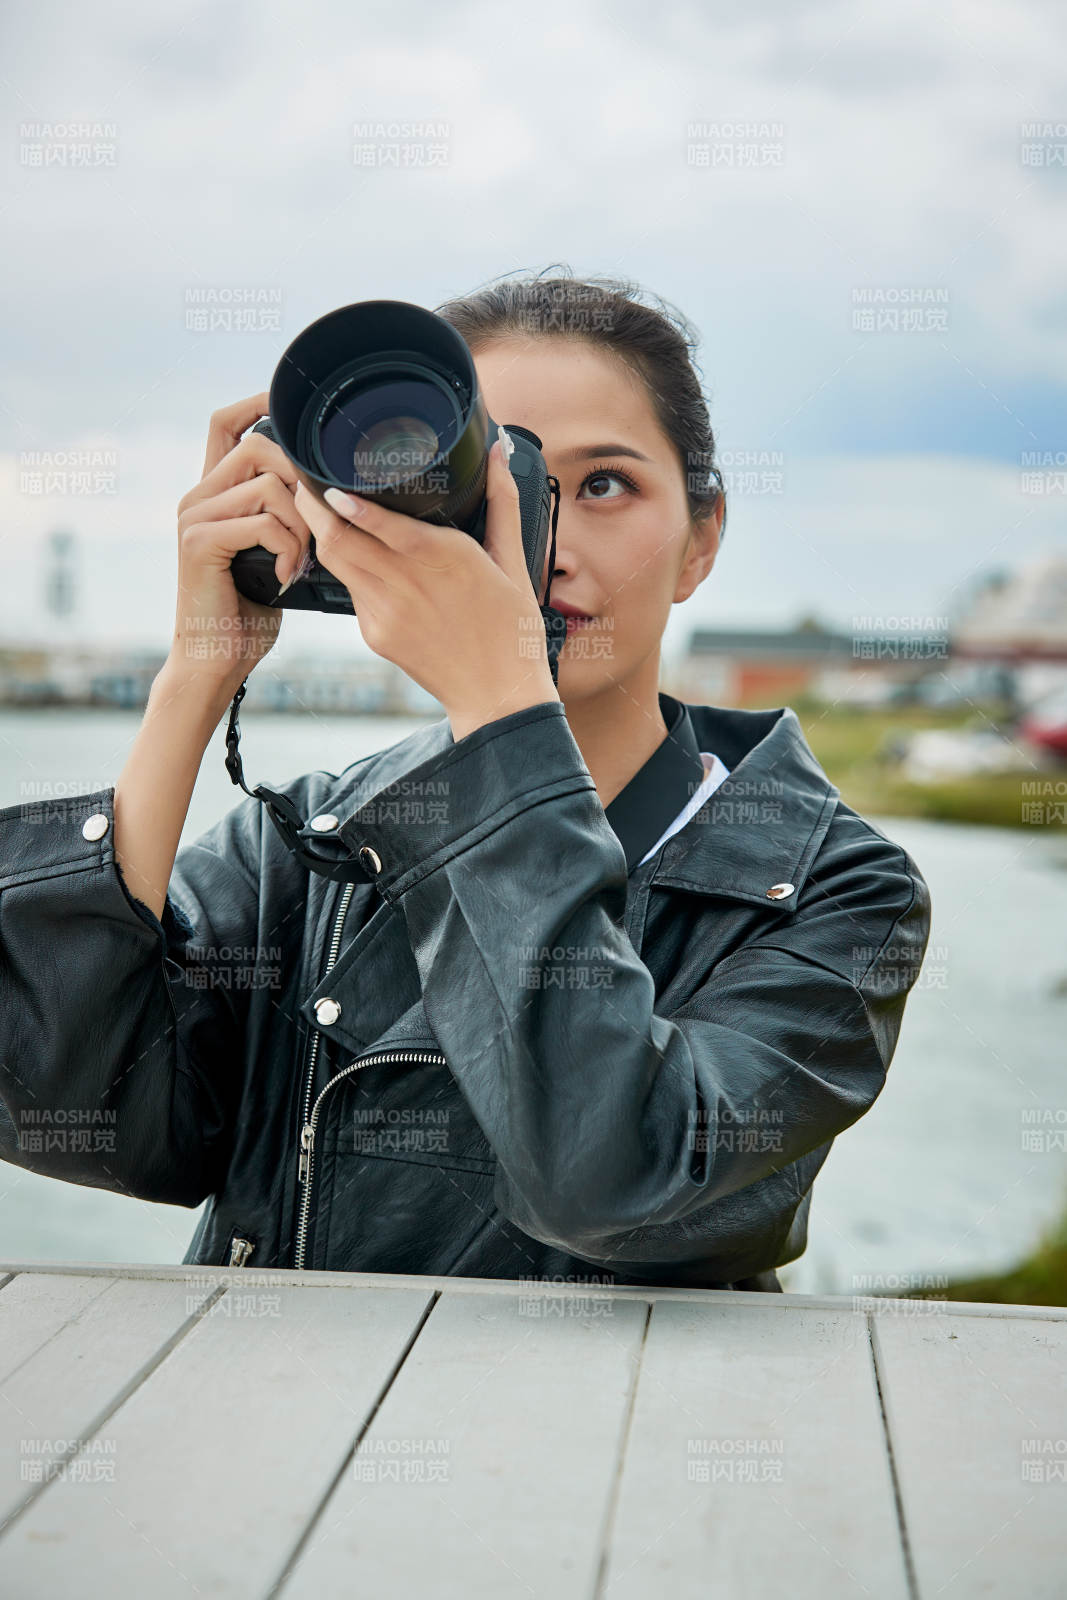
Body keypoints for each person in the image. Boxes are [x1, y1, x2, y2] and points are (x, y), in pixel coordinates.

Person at [0, 270, 931, 1290]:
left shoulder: (835, 890)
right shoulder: (314, 839)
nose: (546, 546)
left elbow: (616, 1185)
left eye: (603, 486)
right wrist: (194, 676)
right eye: (500, 485)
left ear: (700, 539)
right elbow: (67, 1106)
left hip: (618, 1447)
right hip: (277, 1435)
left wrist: (501, 699)